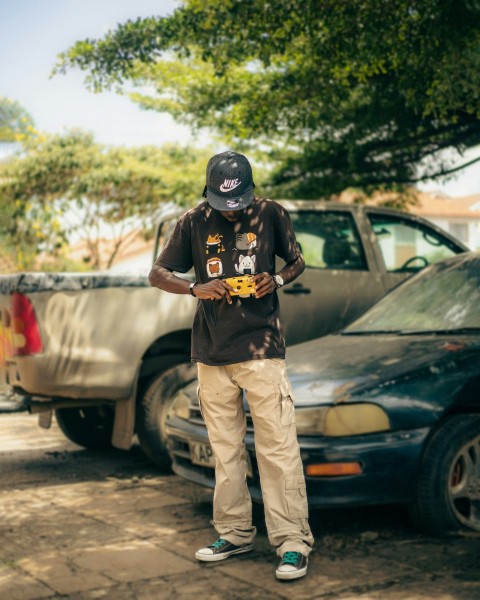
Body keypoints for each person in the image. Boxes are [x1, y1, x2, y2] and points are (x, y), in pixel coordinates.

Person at [148, 151, 314, 580]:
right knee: (225, 451)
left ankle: (293, 542)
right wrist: (194, 289)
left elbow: (296, 261)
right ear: (208, 192)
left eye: (238, 202)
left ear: (249, 191)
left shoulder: (272, 214)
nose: (232, 211)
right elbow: (158, 273)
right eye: (224, 205)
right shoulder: (192, 221)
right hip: (211, 352)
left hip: (262, 350)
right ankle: (235, 532)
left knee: (277, 448)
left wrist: (274, 279)